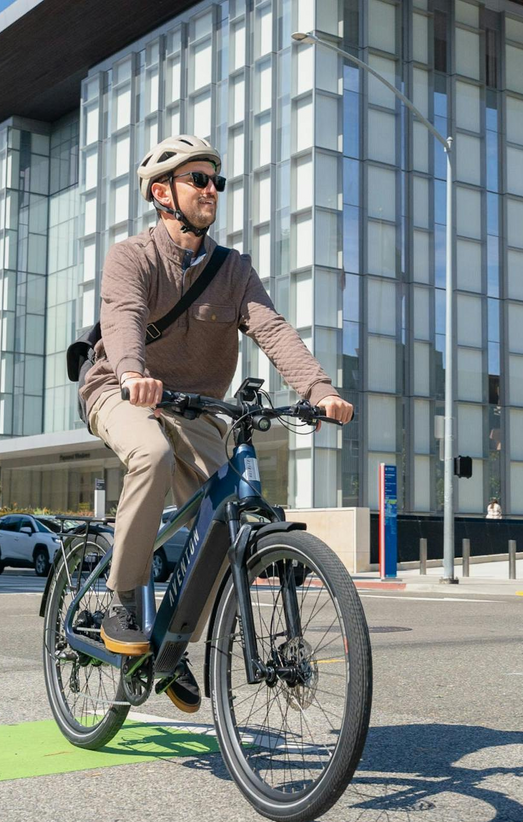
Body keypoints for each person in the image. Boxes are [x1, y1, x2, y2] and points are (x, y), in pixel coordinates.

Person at [80, 133, 355, 711]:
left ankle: (173, 645)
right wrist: (132, 372)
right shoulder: (131, 257)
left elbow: (272, 330)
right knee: (150, 456)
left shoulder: (234, 271)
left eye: (216, 182)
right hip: (121, 391)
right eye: (198, 180)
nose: (212, 190)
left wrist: (319, 390)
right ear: (162, 192)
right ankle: (124, 597)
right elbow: (124, 317)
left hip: (197, 408)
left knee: (228, 518)